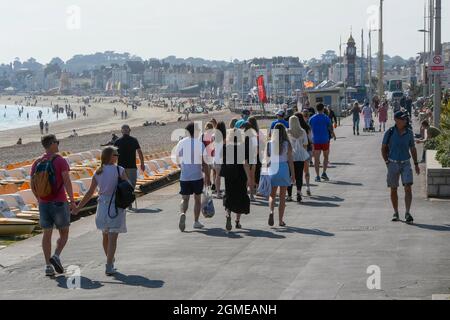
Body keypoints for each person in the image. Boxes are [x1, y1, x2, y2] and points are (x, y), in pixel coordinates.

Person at [73, 147, 131, 276]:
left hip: (102, 207)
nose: (118, 156)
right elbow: (128, 187)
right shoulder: (119, 170)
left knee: (105, 235)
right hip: (115, 205)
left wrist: (78, 208)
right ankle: (109, 264)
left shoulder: (98, 172)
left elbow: (89, 193)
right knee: (113, 237)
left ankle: (109, 259)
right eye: (116, 154)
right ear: (111, 157)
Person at [30, 134, 75, 277]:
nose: (58, 144)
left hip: (43, 203)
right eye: (57, 142)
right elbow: (66, 181)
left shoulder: (36, 162)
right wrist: (72, 201)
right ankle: (56, 255)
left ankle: (48, 266)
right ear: (51, 144)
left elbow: (32, 184)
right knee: (64, 232)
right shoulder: (60, 160)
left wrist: (39, 198)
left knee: (47, 234)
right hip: (59, 201)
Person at [381, 111, 420, 224]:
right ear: (396, 120)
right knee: (393, 188)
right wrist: (387, 162)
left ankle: (407, 212)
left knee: (408, 187)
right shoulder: (390, 132)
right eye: (403, 119)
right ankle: (396, 212)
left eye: (405, 119)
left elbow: (413, 148)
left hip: (406, 163)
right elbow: (383, 148)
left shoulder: (409, 133)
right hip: (392, 163)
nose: (405, 120)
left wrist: (416, 164)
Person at [174, 122, 210, 232]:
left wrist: (184, 167)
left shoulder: (181, 143)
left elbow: (177, 160)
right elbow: (205, 163)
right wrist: (208, 177)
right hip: (197, 176)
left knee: (184, 199)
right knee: (197, 199)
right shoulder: (200, 144)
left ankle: (182, 213)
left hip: (184, 176)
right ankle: (196, 221)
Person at [221, 129, 251, 231]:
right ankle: (237, 222)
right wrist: (249, 177)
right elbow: (245, 164)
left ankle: (228, 213)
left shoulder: (225, 147)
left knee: (229, 194)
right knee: (240, 196)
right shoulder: (242, 147)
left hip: (229, 174)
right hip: (240, 174)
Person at [268, 123, 295, 227]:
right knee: (283, 197)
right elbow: (290, 161)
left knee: (272, 195)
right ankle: (280, 220)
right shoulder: (287, 144)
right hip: (283, 168)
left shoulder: (270, 143)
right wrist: (293, 174)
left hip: (273, 168)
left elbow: (268, 159)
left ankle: (271, 211)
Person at [114, 125, 145, 210]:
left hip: (121, 167)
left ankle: (126, 202)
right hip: (129, 167)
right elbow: (140, 152)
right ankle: (128, 202)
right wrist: (142, 163)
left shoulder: (118, 141)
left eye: (125, 129)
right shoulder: (133, 140)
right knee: (131, 185)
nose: (125, 130)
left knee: (123, 185)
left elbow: (113, 155)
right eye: (125, 129)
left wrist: (142, 163)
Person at [309, 103, 335, 182]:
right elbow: (330, 128)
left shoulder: (312, 118)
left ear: (316, 109)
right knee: (326, 157)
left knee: (316, 159)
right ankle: (324, 172)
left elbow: (309, 129)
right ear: (323, 109)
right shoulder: (326, 118)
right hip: (325, 140)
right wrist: (333, 134)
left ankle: (317, 176)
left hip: (316, 141)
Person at [287, 116, 309, 203]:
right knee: (299, 175)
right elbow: (305, 144)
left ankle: (289, 195)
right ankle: (299, 192)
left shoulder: (287, 131)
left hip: (290, 156)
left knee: (290, 175)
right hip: (300, 155)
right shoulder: (302, 131)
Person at [298, 112, 312, 196]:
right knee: (306, 170)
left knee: (298, 171)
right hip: (307, 150)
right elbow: (310, 139)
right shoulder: (307, 127)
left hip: (296, 152)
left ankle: (299, 190)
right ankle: (307, 186)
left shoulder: (291, 129)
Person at [213, 121, 227, 199]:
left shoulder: (214, 136)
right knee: (226, 176)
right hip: (224, 158)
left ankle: (218, 193)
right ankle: (226, 192)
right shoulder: (225, 137)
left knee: (217, 176)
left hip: (216, 158)